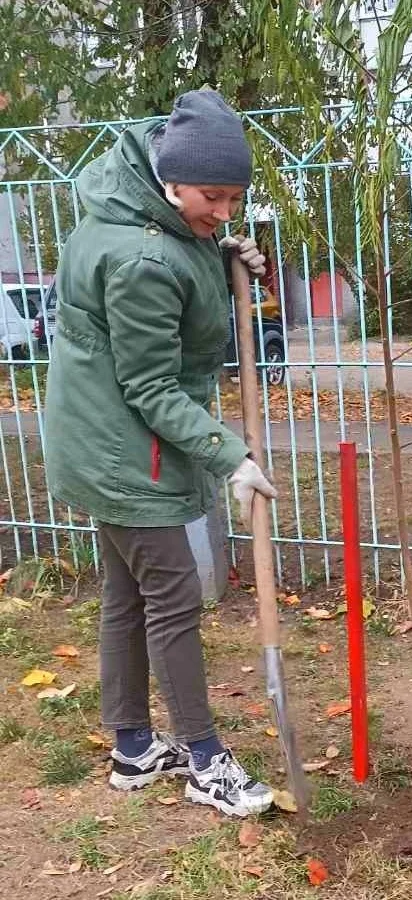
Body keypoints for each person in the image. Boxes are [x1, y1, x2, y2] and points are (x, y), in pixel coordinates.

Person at [44, 89, 279, 817]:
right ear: (173, 179)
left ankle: (134, 749)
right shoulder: (141, 254)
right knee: (172, 597)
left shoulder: (149, 208)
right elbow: (150, 386)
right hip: (122, 448)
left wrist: (222, 252)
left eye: (235, 199)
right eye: (214, 198)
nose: (225, 211)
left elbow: (186, 266)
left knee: (125, 596)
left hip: (101, 437)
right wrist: (230, 455)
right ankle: (205, 760)